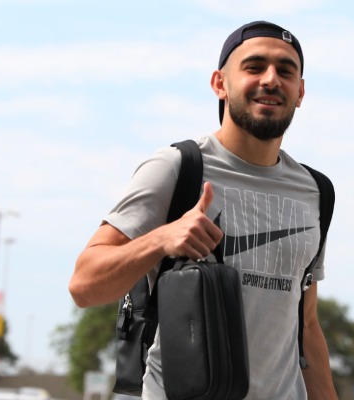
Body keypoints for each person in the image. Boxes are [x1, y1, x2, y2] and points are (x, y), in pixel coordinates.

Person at [69, 20, 337, 400]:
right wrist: (162, 239)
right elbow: (84, 285)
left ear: (300, 92)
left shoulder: (316, 192)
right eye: (254, 67)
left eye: (286, 70)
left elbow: (306, 326)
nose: (271, 79)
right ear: (219, 84)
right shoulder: (177, 167)